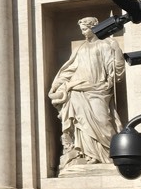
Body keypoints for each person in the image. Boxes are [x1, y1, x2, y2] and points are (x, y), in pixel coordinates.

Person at [49, 17, 125, 167]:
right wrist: (57, 84)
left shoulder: (105, 45)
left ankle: (109, 155)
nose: (83, 33)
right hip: (77, 90)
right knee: (81, 124)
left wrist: (116, 50)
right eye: (82, 30)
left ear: (94, 28)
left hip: (99, 89)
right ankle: (87, 154)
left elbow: (116, 72)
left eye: (85, 29)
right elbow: (69, 69)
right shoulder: (81, 48)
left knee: (103, 121)